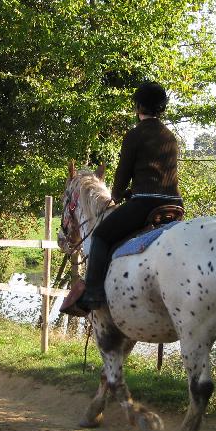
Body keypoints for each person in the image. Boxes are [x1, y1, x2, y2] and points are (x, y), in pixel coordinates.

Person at [73, 81, 183, 313]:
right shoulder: (171, 137)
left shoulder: (135, 135)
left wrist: (117, 193)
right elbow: (159, 175)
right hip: (174, 206)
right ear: (161, 108)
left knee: (102, 235)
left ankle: (93, 294)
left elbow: (123, 173)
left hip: (145, 204)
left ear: (138, 107)